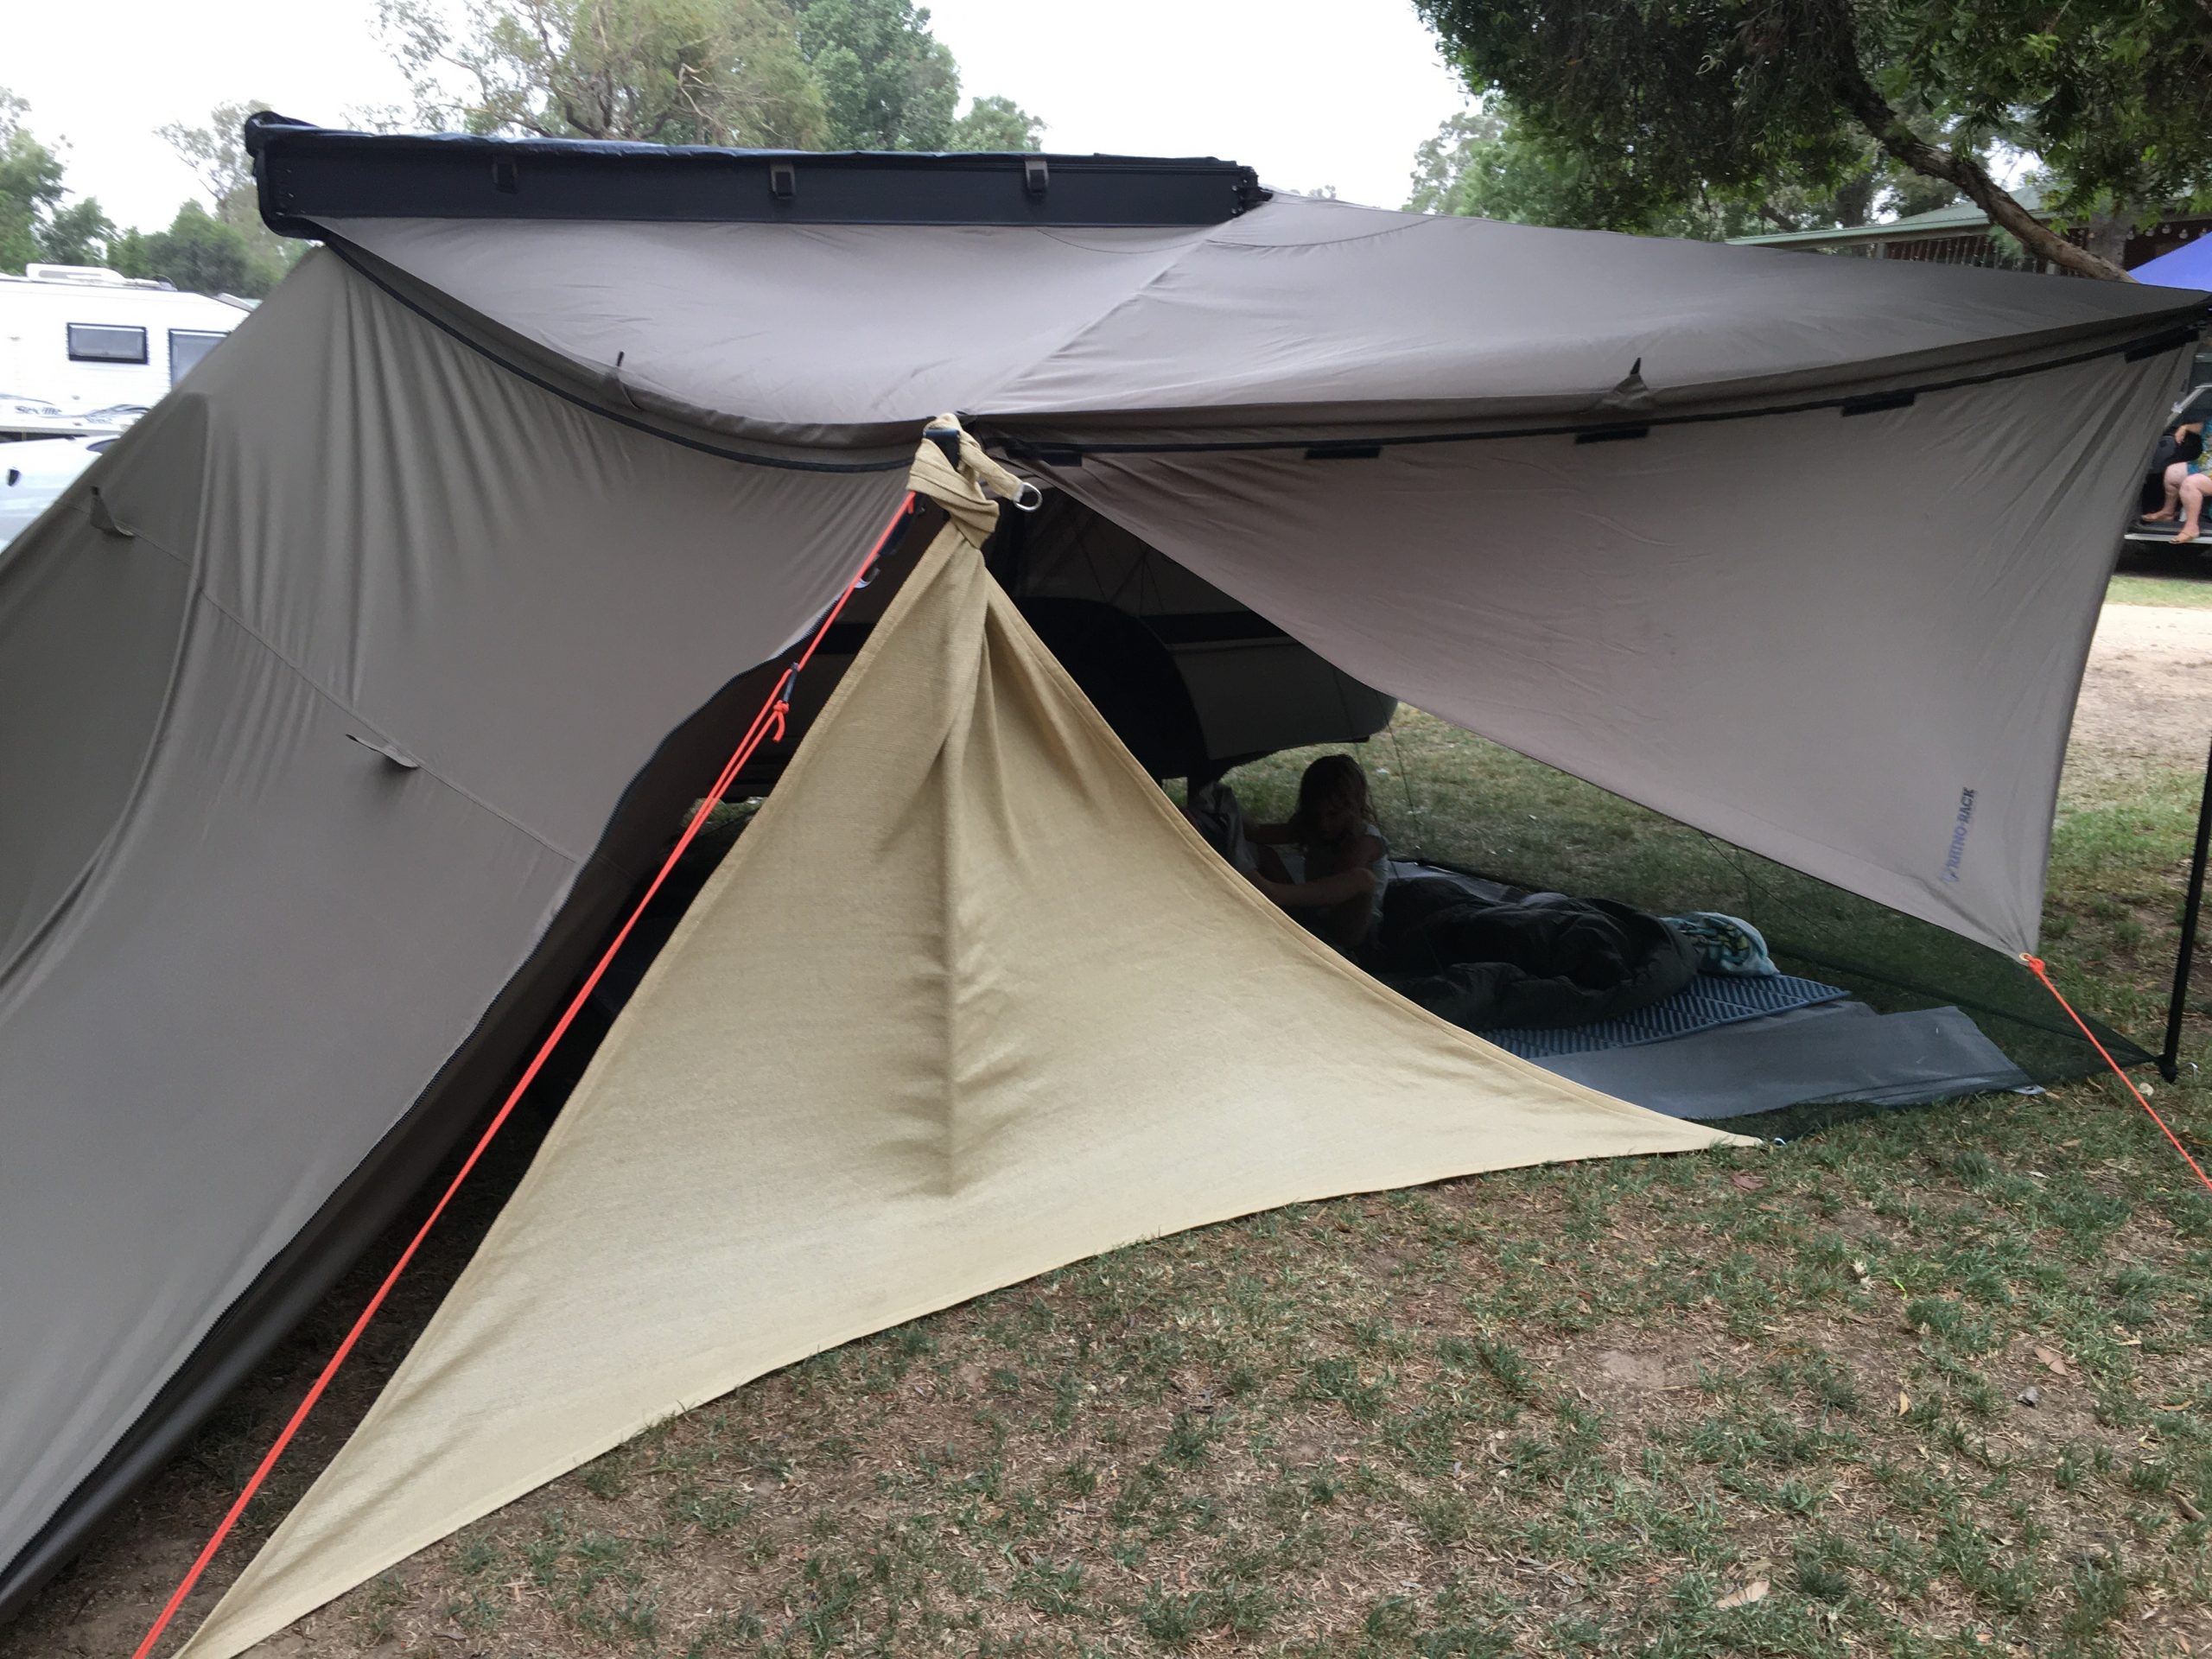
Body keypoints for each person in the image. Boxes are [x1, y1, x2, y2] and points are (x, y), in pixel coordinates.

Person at [1192, 753, 1389, 956]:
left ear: (1354, 808)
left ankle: (1274, 893)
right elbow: (1259, 833)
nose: (1323, 824)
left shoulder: (1364, 842)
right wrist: (1222, 815)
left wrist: (1283, 894)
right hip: (1312, 917)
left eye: (1333, 814)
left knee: (1363, 879)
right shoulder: (1313, 826)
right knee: (1264, 853)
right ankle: (1276, 897)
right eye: (1316, 814)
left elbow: (1331, 899)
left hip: (1354, 937)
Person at [2142, 420, 2207, 534]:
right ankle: (2168, 512)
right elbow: (2205, 427)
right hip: (2205, 466)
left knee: (2192, 483)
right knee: (2173, 472)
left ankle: (2191, 528)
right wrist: (2185, 427)